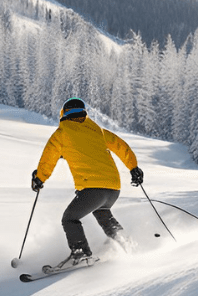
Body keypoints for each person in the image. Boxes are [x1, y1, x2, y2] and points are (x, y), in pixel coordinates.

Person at [30, 98, 144, 269]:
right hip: (113, 189)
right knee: (104, 216)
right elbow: (121, 146)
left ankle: (81, 253)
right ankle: (130, 247)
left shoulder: (62, 133)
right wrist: (133, 167)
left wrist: (39, 178)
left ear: (64, 114)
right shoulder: (97, 130)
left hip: (92, 189)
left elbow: (49, 158)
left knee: (70, 218)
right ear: (83, 112)